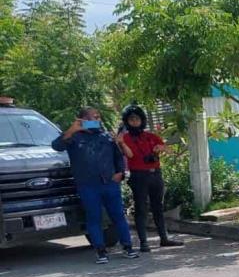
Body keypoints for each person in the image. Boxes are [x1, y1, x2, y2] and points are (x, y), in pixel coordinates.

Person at [52, 107, 137, 264]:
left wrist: (121, 173)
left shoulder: (106, 136)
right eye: (93, 117)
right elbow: (56, 146)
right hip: (88, 186)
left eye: (98, 116)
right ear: (83, 120)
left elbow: (118, 156)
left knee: (118, 216)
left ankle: (128, 247)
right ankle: (100, 251)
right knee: (94, 218)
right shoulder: (74, 137)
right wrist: (72, 129)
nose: (97, 119)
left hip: (110, 184)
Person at [117, 104, 184, 252]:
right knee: (141, 208)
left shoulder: (150, 136)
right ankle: (143, 243)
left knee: (158, 208)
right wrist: (121, 143)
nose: (134, 122)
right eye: (131, 119)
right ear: (127, 121)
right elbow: (130, 156)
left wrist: (162, 148)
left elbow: (169, 150)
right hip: (139, 176)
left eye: (137, 119)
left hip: (155, 174)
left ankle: (164, 239)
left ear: (142, 120)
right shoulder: (126, 138)